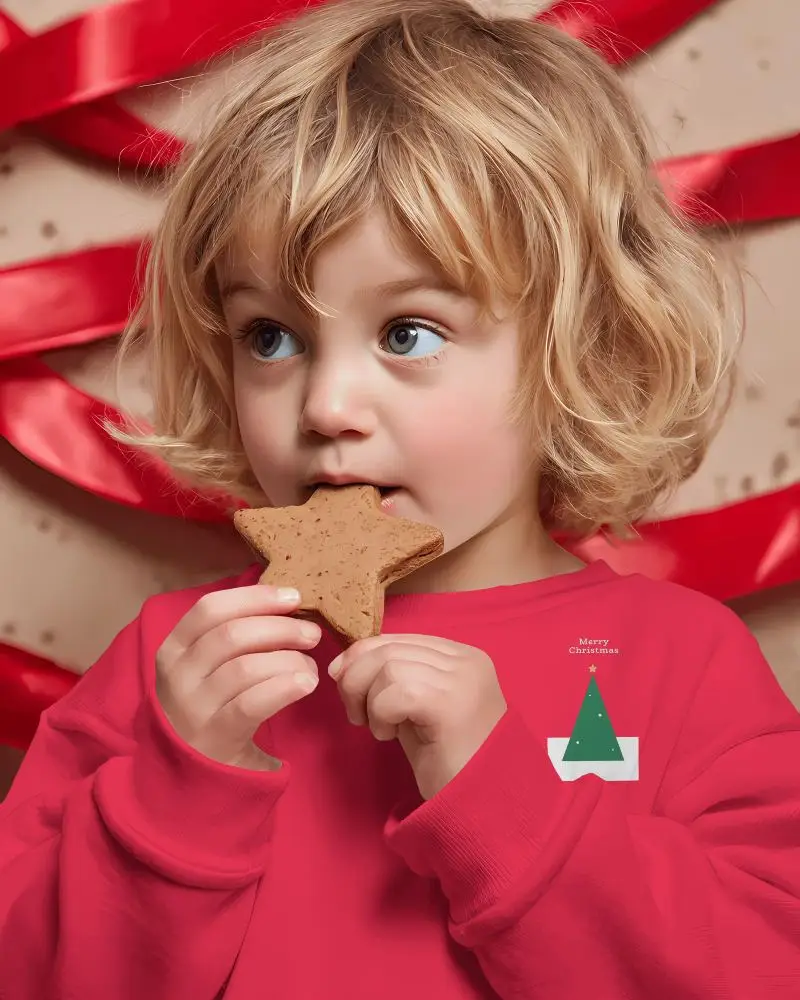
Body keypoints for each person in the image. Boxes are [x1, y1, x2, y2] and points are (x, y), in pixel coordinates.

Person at [1, 0, 798, 996]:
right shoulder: (170, 666)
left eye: (406, 333)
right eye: (270, 337)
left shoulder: (678, 663)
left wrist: (504, 799)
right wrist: (171, 791)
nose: (326, 405)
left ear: (577, 354)